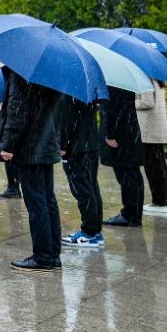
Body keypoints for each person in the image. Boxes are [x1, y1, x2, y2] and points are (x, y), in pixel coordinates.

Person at [0, 71, 62, 272]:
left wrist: (7, 144)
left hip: (30, 145)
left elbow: (17, 110)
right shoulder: (49, 72)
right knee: (47, 200)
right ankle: (52, 254)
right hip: (44, 140)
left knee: (37, 202)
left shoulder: (21, 71)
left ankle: (43, 256)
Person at [59, 95, 103, 248]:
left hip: (77, 148)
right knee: (91, 187)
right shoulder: (88, 87)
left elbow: (66, 118)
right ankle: (95, 231)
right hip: (89, 144)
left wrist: (62, 145)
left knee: (83, 189)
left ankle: (89, 232)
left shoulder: (69, 89)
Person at [101, 86, 144, 228]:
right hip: (129, 130)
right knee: (133, 174)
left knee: (126, 176)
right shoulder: (124, 82)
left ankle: (129, 215)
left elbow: (112, 108)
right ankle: (134, 214)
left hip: (120, 136)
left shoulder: (114, 82)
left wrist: (109, 134)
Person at [136, 81, 167, 215]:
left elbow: (147, 102)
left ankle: (160, 202)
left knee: (153, 166)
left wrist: (131, 103)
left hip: (150, 128)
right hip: (156, 127)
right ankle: (164, 199)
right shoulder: (156, 79)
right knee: (159, 164)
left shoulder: (145, 79)